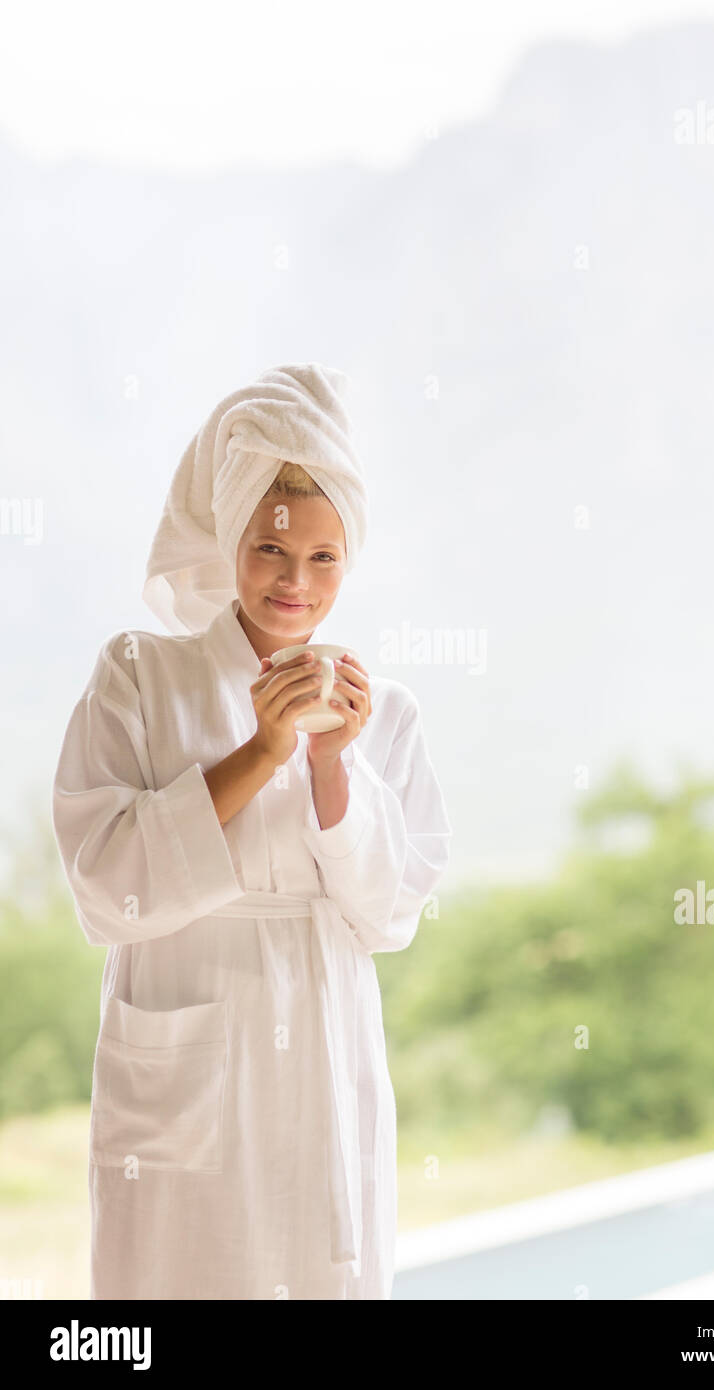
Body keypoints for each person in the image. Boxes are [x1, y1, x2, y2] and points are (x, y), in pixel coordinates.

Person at [51, 363, 452, 1300]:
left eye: (324, 557)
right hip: (187, 1052)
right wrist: (264, 750)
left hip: (323, 1047)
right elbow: (107, 887)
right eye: (273, 550)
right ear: (233, 537)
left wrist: (328, 763)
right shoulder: (140, 677)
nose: (296, 583)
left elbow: (389, 916)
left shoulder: (380, 712)